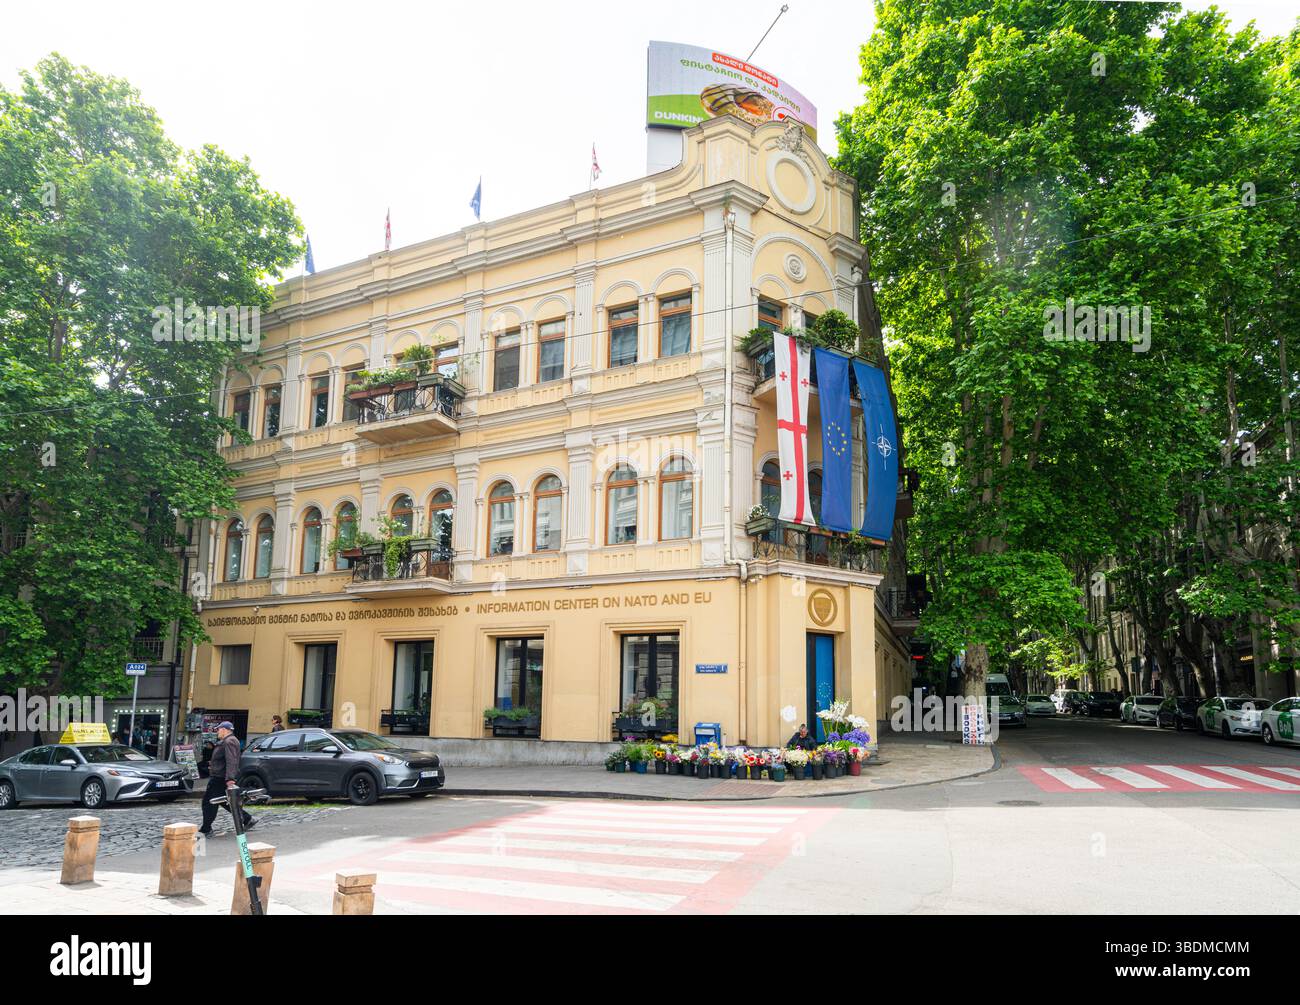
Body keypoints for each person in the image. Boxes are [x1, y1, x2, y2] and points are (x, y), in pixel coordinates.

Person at [199, 721, 256, 836]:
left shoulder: (229, 741)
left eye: (218, 729)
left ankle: (206, 829)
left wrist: (230, 779)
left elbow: (232, 761)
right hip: (221, 776)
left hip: (220, 778)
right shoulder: (228, 741)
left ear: (224, 729)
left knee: (209, 802)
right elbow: (225, 759)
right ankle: (247, 819)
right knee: (226, 802)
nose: (217, 732)